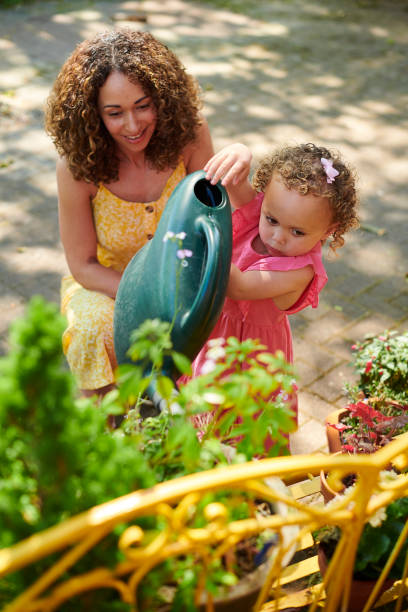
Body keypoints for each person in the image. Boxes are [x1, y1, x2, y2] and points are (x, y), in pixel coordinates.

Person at [44, 28, 222, 397]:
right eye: (115, 113)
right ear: (91, 115)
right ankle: (110, 429)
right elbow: (83, 265)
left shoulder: (190, 135)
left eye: (143, 106)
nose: (133, 124)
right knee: (93, 328)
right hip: (107, 283)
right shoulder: (77, 168)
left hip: (183, 282)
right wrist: (144, 299)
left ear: (163, 98)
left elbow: (212, 224)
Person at [189, 142, 360, 423]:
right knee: (200, 415)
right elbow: (236, 183)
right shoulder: (264, 213)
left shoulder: (300, 271)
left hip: (251, 358)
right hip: (215, 334)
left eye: (297, 231)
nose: (277, 237)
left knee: (243, 427)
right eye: (271, 219)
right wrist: (240, 152)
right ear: (264, 196)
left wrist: (199, 239)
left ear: (328, 231)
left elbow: (238, 286)